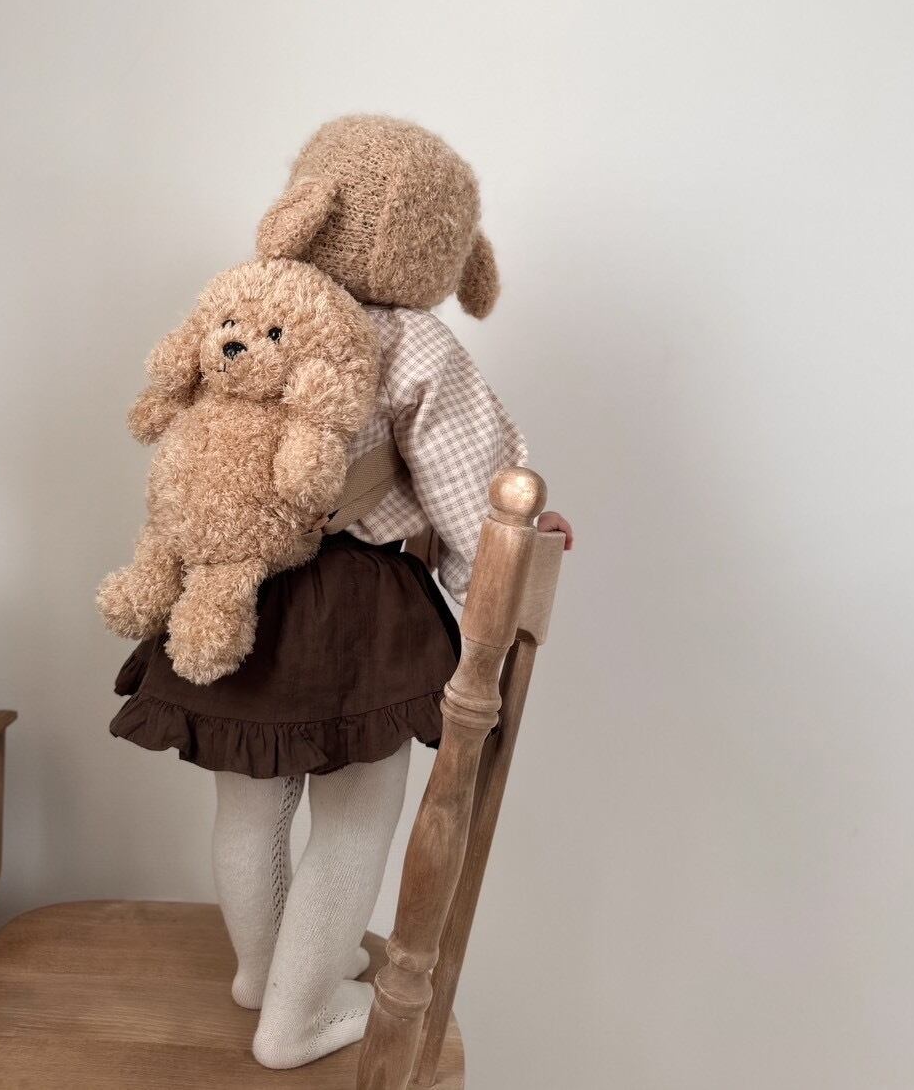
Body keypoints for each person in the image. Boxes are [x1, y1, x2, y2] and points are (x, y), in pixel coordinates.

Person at [109, 115, 573, 1068]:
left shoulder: (249, 305)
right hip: (351, 615)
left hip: (236, 590)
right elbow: (472, 484)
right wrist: (507, 559)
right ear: (441, 246)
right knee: (357, 815)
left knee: (250, 806)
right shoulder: (412, 343)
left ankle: (264, 972)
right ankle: (301, 1012)